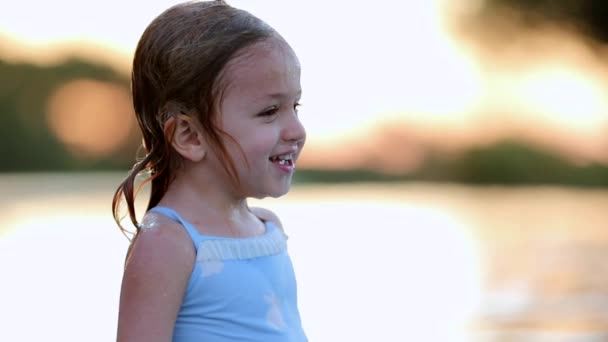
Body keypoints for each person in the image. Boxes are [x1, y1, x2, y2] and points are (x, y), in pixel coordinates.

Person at [111, 1, 308, 341]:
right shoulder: (170, 243)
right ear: (189, 136)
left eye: (295, 106)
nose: (296, 130)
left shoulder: (266, 228)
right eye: (270, 111)